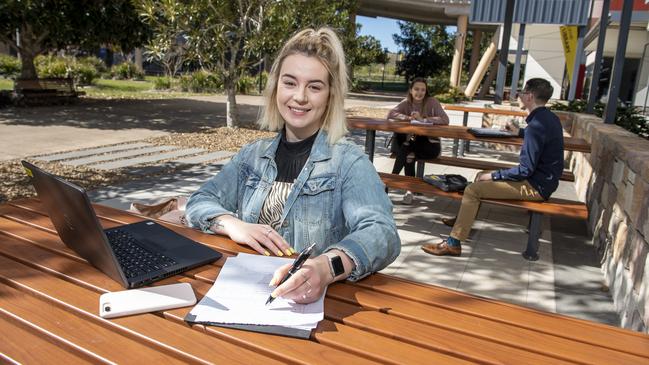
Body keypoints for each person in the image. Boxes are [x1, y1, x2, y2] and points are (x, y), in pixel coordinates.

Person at [185, 28, 401, 303]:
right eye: (290, 83)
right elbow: (199, 201)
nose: (300, 96)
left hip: (312, 307)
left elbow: (382, 233)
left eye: (314, 86)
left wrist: (326, 266)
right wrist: (230, 223)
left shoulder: (349, 162)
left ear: (330, 96)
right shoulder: (252, 155)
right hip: (247, 296)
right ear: (276, 87)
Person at [421, 78, 564, 257]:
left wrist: (494, 176)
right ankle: (463, 221)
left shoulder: (536, 126)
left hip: (535, 187)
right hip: (543, 181)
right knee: (481, 174)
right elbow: (537, 139)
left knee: (473, 189)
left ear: (530, 96)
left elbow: (525, 170)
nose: (518, 94)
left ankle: (453, 243)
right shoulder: (548, 118)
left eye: (521, 91)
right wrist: (519, 132)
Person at [387, 77, 449, 204]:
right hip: (412, 144)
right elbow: (391, 114)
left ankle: (390, 183)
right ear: (410, 90)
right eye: (416, 89)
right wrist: (408, 117)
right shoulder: (406, 103)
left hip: (430, 146)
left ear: (426, 91)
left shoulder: (432, 102)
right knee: (409, 153)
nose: (419, 92)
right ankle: (409, 191)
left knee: (407, 148)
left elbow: (445, 119)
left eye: (423, 90)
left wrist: (424, 120)